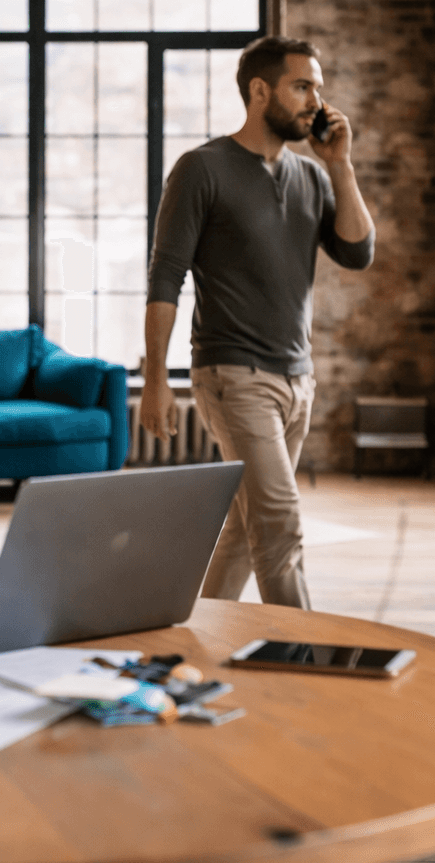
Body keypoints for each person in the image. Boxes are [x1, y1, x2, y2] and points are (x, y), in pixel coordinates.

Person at [140, 36, 374, 608]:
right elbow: (165, 278)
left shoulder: (313, 177)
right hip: (234, 376)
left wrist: (340, 166)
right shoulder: (201, 170)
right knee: (281, 527)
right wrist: (154, 382)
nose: (316, 101)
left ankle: (197, 631)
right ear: (259, 90)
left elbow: (358, 252)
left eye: (318, 87)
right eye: (302, 86)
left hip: (298, 379)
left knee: (248, 531)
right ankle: (301, 665)